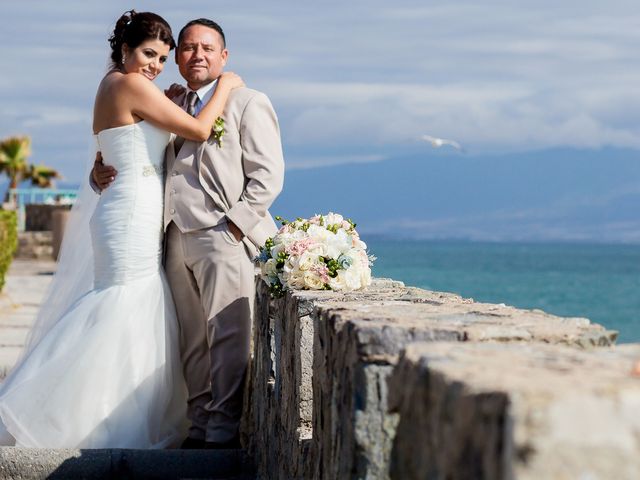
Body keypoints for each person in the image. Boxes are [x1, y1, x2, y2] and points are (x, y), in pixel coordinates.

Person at [0, 10, 243, 448]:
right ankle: (71, 417)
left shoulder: (115, 83)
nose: (155, 65)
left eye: (163, 58)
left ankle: (104, 416)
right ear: (125, 48)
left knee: (130, 306)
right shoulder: (130, 85)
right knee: (122, 305)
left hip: (129, 204)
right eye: (149, 54)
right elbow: (200, 129)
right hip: (131, 209)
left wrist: (102, 165)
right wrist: (227, 83)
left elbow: (122, 141)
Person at [93, 18, 285, 449]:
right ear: (178, 57)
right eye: (187, 48)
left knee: (229, 333)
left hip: (223, 232)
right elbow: (129, 146)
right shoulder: (170, 99)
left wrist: (235, 225)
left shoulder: (247, 101)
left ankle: (221, 431)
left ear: (224, 57)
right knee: (192, 337)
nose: (196, 55)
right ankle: (198, 425)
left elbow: (268, 177)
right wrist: (98, 171)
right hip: (169, 233)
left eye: (207, 48)